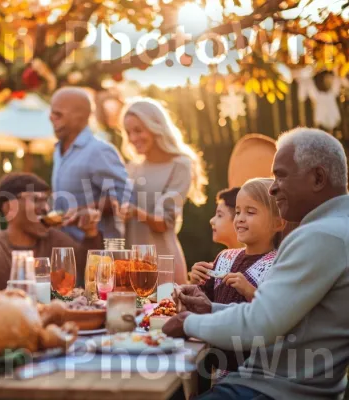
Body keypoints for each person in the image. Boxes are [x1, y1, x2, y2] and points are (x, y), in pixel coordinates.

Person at [164, 127, 349, 400]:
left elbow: (258, 324)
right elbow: (279, 315)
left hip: (273, 390)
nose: (273, 188)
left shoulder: (320, 236)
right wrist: (210, 308)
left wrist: (188, 323)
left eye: (281, 176)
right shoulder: (336, 227)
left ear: (318, 178)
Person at [191, 178, 285, 382]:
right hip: (215, 367)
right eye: (239, 212)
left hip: (253, 374)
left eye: (250, 212)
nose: (240, 218)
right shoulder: (224, 258)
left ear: (278, 223)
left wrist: (250, 291)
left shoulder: (278, 265)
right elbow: (203, 303)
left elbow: (274, 316)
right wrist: (195, 282)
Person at [0, 172, 103, 301]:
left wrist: (90, 232)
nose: (46, 208)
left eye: (46, 201)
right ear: (9, 208)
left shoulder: (55, 240)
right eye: (36, 199)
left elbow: (92, 273)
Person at [120, 99, 208, 285]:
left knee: (166, 314)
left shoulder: (181, 166)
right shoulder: (132, 168)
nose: (133, 138)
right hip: (132, 266)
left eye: (138, 130)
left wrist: (135, 211)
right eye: (128, 132)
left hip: (164, 263)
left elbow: (164, 223)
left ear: (156, 126)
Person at [49, 87, 128, 241]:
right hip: (67, 248)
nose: (51, 118)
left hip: (98, 254)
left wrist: (84, 210)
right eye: (51, 113)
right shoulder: (58, 150)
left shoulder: (99, 150)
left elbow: (124, 197)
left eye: (58, 114)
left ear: (81, 116)